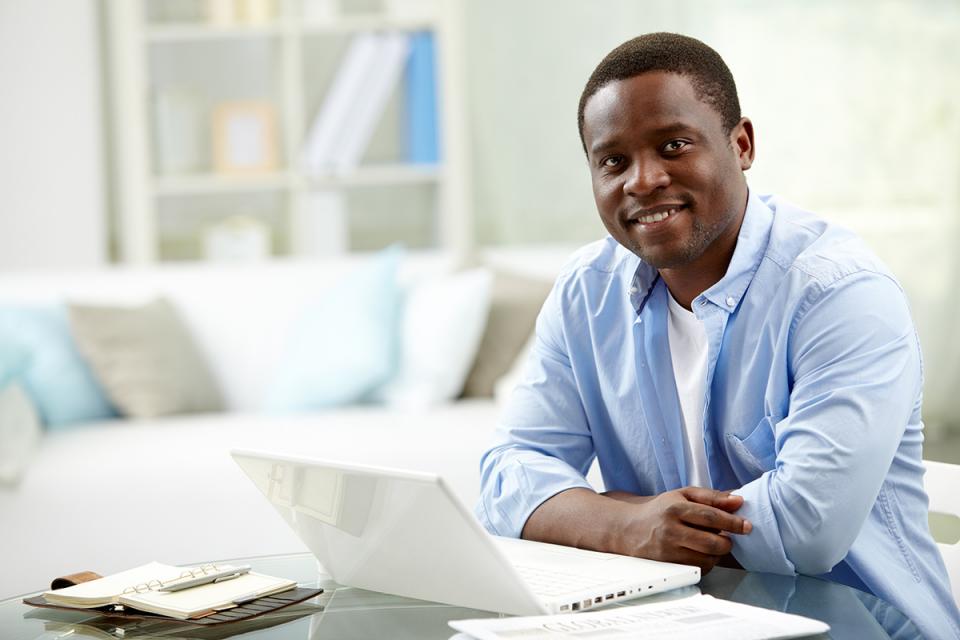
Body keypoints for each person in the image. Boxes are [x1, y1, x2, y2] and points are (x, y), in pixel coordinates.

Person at [475, 32, 960, 639]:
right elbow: (506, 477)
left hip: (859, 627)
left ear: (742, 144)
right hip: (678, 623)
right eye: (613, 161)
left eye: (673, 145)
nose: (643, 180)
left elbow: (804, 531)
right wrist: (632, 525)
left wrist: (607, 513)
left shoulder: (840, 293)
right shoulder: (586, 292)